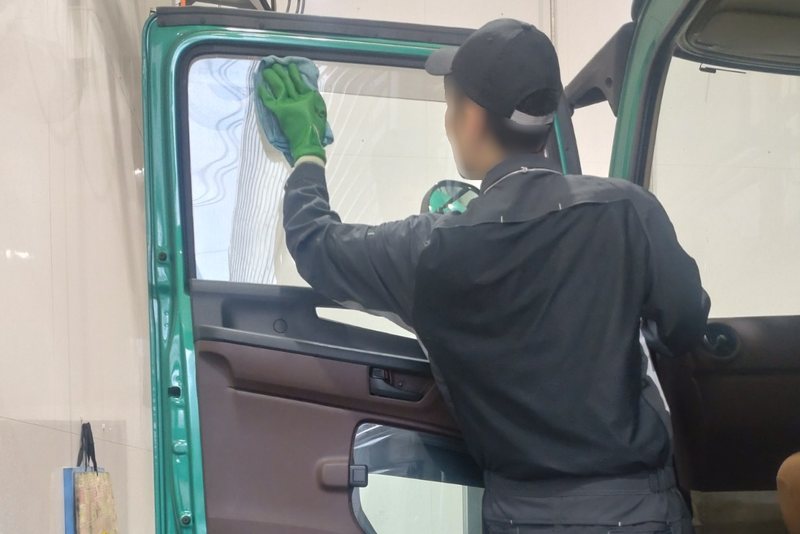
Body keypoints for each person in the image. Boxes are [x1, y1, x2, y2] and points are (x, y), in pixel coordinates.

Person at [258, 18, 709, 534]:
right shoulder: (628, 211)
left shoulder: (429, 250)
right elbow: (685, 325)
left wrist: (307, 152)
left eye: (450, 107)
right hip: (641, 513)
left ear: (471, 118)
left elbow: (315, 245)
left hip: (520, 518)